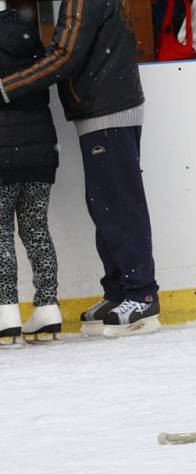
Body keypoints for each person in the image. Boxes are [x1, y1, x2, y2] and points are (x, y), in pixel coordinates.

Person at [0, 0, 161, 337]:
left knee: (118, 203)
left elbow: (64, 55)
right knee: (103, 205)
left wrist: (7, 86)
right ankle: (118, 290)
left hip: (107, 108)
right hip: (102, 107)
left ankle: (141, 294)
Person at [0, 4, 61, 344]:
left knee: (0, 233)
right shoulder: (32, 39)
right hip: (40, 153)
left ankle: (6, 310)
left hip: (2, 157)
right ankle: (48, 307)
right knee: (37, 228)